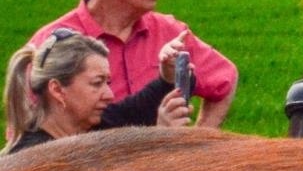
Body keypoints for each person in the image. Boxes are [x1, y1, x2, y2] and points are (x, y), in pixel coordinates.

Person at [29, 0, 237, 128]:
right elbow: (29, 134)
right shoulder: (53, 44)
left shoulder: (170, 33)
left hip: (162, 162)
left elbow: (225, 79)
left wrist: (199, 143)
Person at [4, 29, 193, 153]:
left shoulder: (92, 124)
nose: (109, 94)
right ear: (57, 90)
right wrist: (161, 142)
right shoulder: (37, 157)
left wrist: (168, 75)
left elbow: (141, 107)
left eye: (108, 82)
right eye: (97, 83)